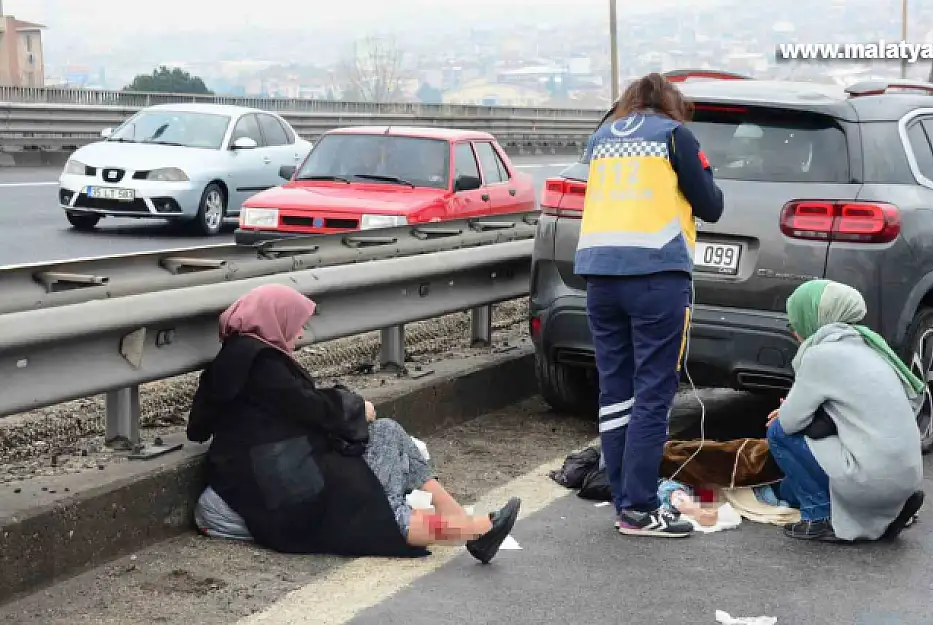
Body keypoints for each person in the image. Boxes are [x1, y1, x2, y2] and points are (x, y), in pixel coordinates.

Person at [187, 283, 520, 563]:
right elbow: (310, 407)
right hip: (283, 483)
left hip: (280, 464)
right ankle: (476, 530)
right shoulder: (259, 363)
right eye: (296, 322)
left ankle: (458, 518)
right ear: (275, 319)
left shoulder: (241, 358)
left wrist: (354, 410)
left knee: (388, 432)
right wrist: (358, 409)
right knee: (374, 506)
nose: (301, 332)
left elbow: (211, 424)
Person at [575, 72, 725, 537]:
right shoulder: (673, 135)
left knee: (615, 390)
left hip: (600, 278)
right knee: (654, 391)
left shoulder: (602, 138)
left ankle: (624, 497)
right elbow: (711, 205)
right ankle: (639, 507)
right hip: (656, 275)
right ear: (672, 104)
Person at [763, 279, 926, 542]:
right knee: (789, 489)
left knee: (779, 433)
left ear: (813, 318)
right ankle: (887, 513)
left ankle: (819, 518)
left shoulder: (822, 355)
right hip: (906, 479)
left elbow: (791, 423)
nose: (794, 332)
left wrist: (785, 413)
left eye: (795, 323)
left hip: (869, 480)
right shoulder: (871, 347)